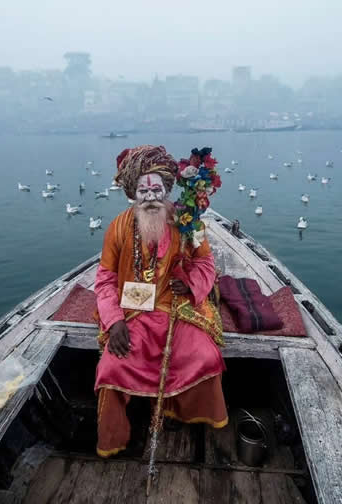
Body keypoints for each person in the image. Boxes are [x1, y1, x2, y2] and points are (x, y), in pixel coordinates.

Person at [94, 145, 227, 457]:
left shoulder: (186, 222)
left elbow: (206, 264)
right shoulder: (118, 227)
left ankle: (177, 411)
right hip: (132, 313)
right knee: (111, 366)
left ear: (167, 190)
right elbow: (105, 278)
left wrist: (190, 282)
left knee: (205, 356)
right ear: (133, 193)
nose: (151, 197)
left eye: (157, 190)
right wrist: (113, 321)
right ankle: (118, 436)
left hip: (177, 308)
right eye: (144, 190)